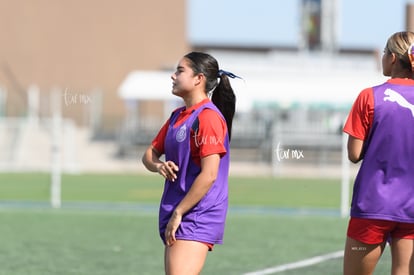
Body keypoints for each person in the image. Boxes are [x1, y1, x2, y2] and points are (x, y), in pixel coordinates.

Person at [142, 51, 239, 275]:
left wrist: (179, 213)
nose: (173, 76)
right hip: (178, 209)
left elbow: (210, 174)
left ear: (199, 79)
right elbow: (149, 154)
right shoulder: (177, 116)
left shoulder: (208, 117)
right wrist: (158, 165)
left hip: (196, 213)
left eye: (180, 70)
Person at [343, 31, 414, 275]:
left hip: (373, 204)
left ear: (393, 58)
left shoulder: (369, 96)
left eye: (384, 53)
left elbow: (354, 153)